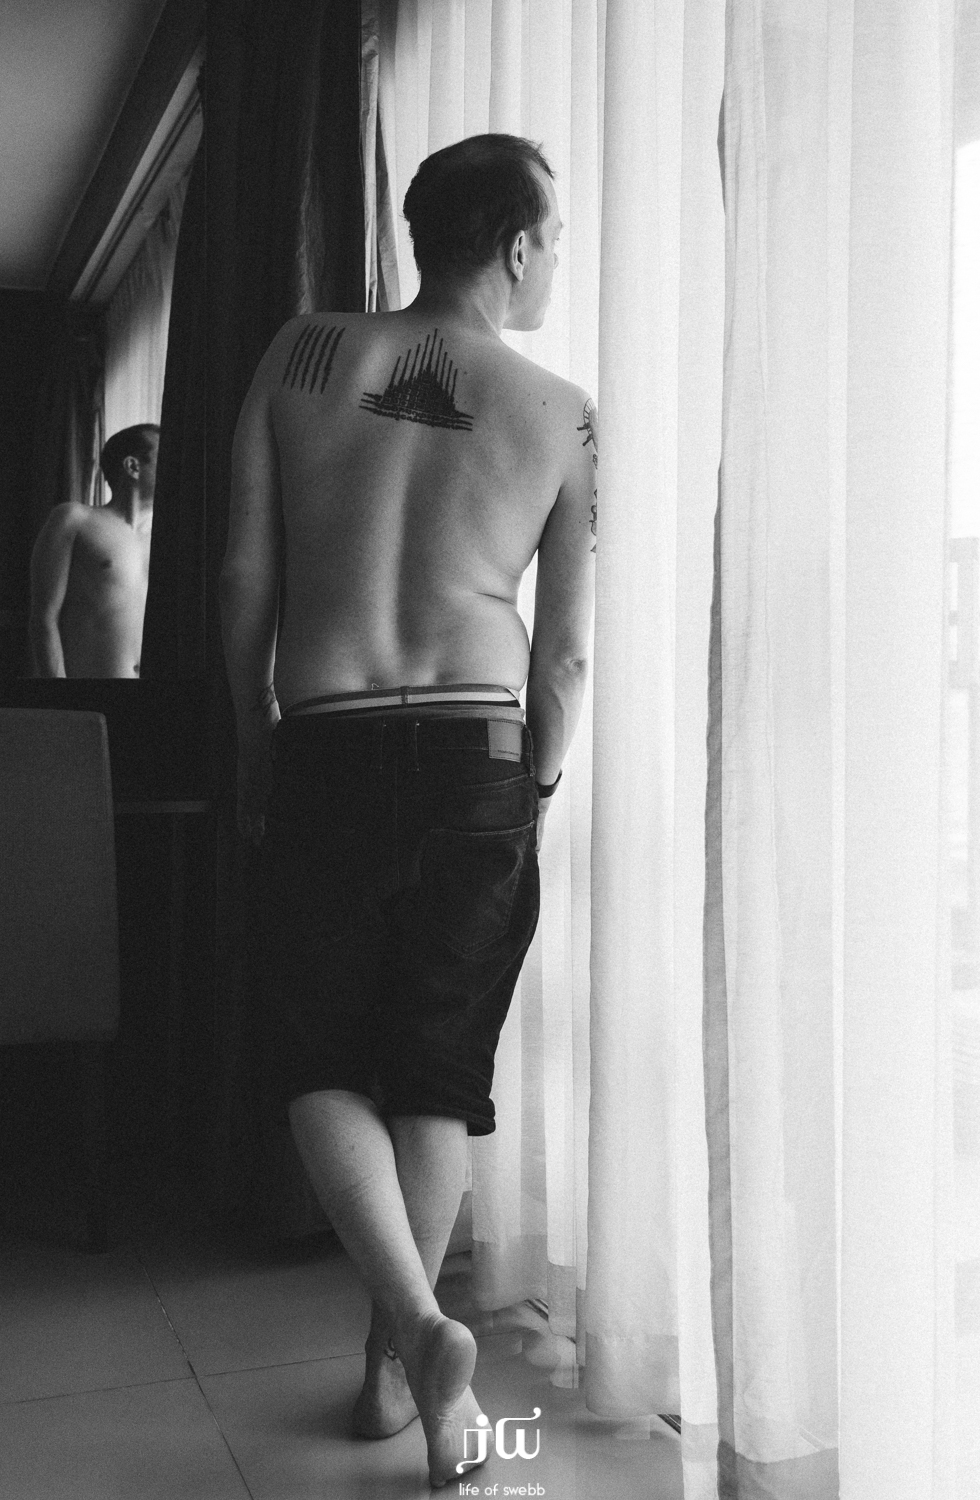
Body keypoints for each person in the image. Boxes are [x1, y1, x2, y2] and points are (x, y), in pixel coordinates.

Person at [219, 133, 596, 1489]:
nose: (557, 261)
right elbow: (565, 655)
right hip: (476, 757)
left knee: (317, 1059)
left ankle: (421, 1339)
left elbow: (243, 582)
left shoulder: (301, 355)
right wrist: (533, 781)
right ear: (515, 245)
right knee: (440, 1068)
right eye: (555, 239)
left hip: (326, 739)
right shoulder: (560, 411)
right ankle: (413, 1377)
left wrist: (255, 744)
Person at [28, 423, 160, 678]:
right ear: (133, 466)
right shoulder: (74, 520)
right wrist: (58, 692)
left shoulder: (172, 538)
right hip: (89, 688)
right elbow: (44, 618)